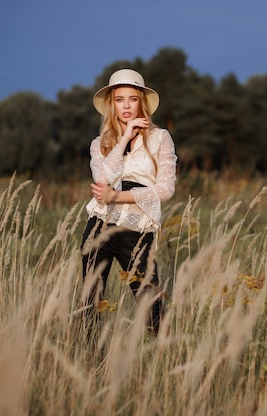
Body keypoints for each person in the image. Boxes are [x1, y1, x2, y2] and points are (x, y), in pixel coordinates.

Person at [80, 68, 177, 336]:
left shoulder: (160, 138)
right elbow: (102, 177)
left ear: (141, 102)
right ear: (112, 104)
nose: (126, 106)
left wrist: (117, 196)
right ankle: (89, 359)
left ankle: (161, 356)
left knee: (149, 298)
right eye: (119, 99)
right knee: (90, 299)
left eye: (132, 99)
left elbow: (165, 189)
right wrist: (124, 137)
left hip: (136, 227)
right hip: (99, 223)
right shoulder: (99, 143)